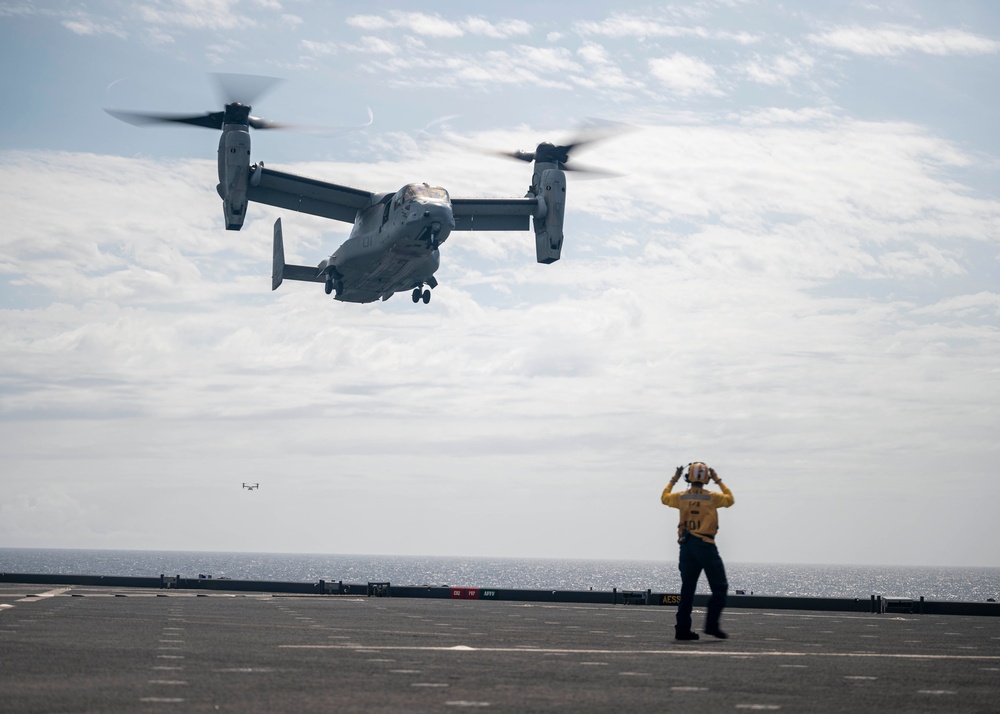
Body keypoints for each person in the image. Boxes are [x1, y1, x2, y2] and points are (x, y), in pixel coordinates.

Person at [661, 462, 735, 640]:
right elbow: (730, 499)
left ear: (689, 477)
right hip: (705, 545)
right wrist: (718, 480)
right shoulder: (712, 497)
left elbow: (664, 498)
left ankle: (682, 629)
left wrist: (674, 478)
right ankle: (711, 625)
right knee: (720, 587)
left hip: (686, 546)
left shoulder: (681, 497)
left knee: (687, 589)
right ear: (706, 478)